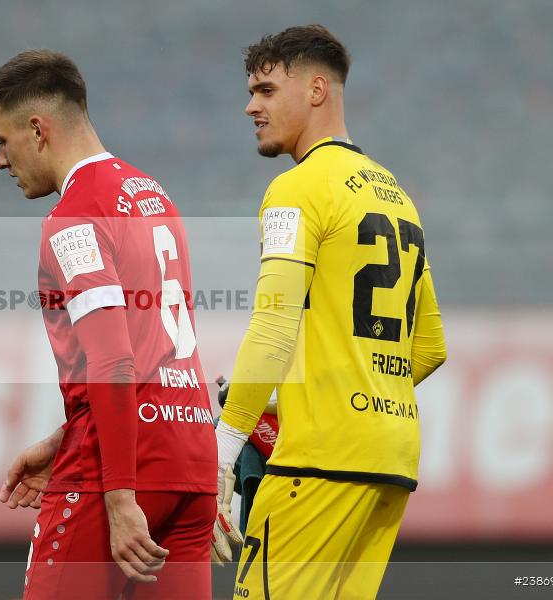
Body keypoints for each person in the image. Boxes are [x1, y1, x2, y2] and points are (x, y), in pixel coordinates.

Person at [211, 25, 447, 599]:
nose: (250, 106)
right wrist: (305, 396)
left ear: (317, 90)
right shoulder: (394, 194)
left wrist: (224, 446)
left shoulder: (297, 189)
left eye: (266, 90)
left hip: (316, 467)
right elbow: (431, 347)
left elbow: (273, 322)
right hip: (389, 462)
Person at [0, 49, 217, 600]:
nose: (0, 161)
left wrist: (120, 495)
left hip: (118, 468)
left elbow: (114, 358)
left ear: (37, 129)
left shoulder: (74, 217)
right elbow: (153, 347)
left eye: (0, 141)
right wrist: (64, 437)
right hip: (191, 461)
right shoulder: (152, 194)